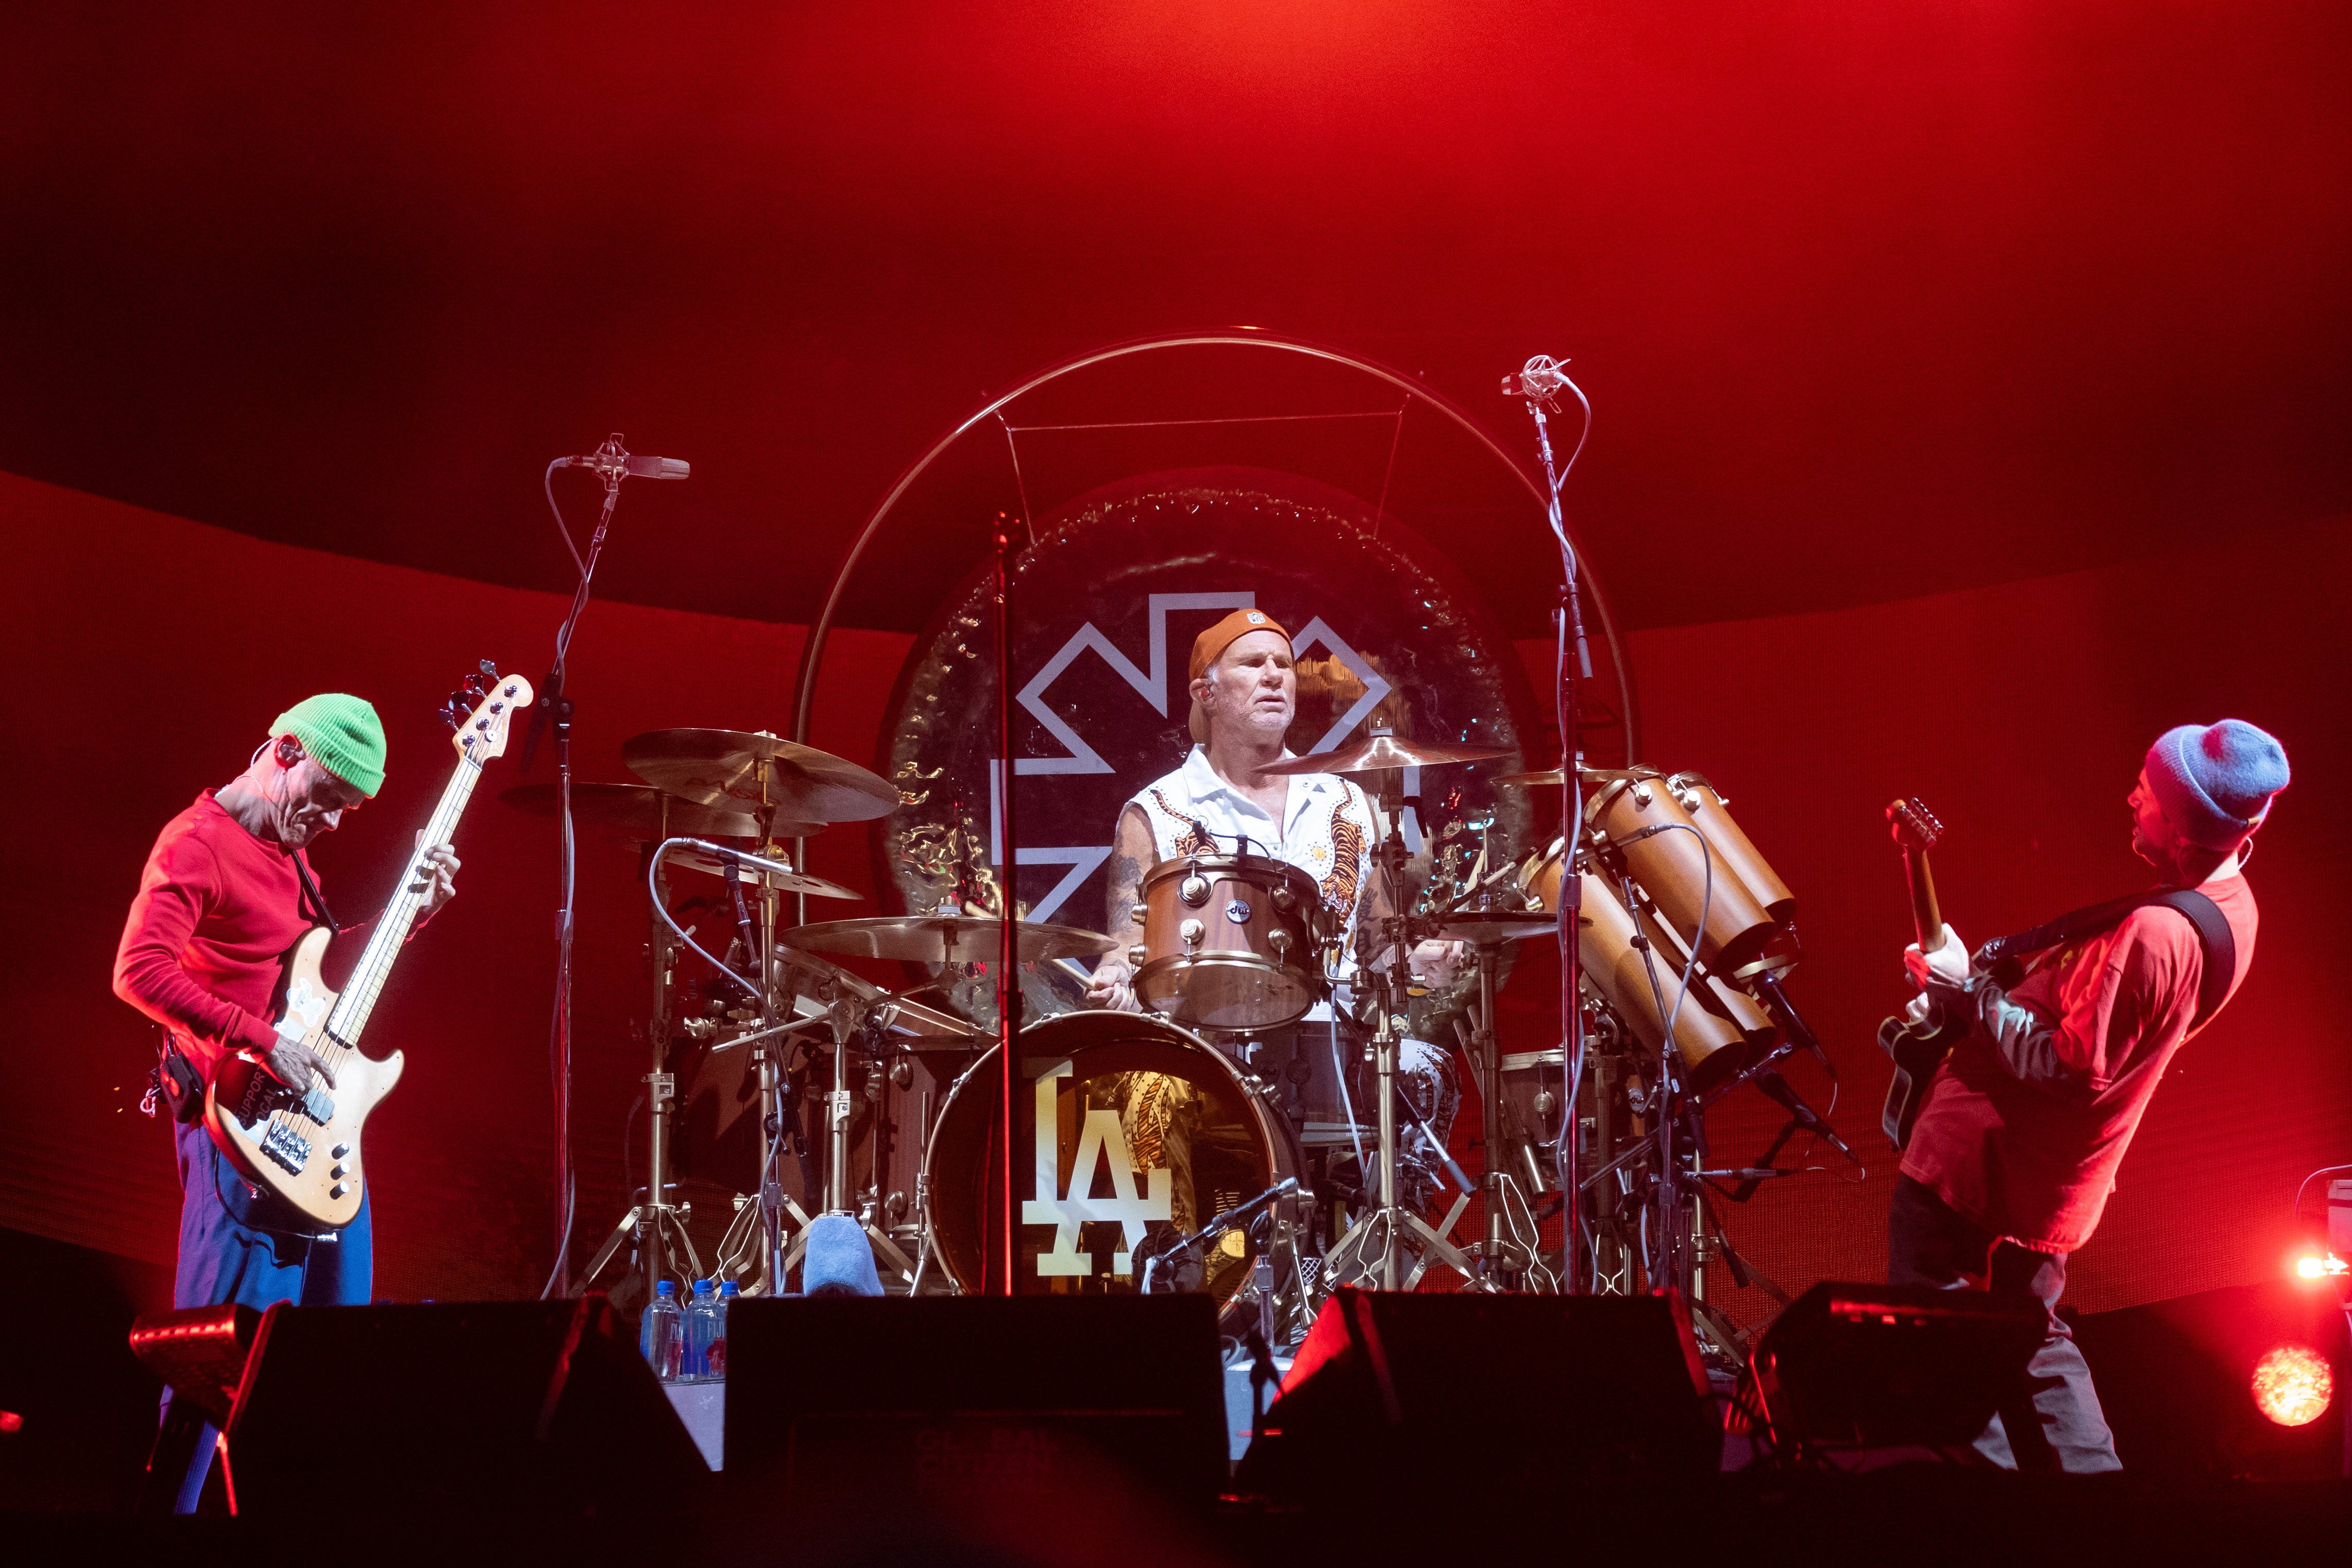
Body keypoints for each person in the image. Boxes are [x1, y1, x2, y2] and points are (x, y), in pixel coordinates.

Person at [1894, 717, 2288, 1471]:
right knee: (2034, 1344)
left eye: (2147, 794)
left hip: (1980, 1169)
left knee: (1948, 1368)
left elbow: (2070, 1069)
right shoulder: (2231, 906)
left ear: (2180, 825)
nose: (2130, 797)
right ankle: (2107, 1521)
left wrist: (1968, 994)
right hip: (2053, 1185)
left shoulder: (2154, 933)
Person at [112, 694, 459, 1511]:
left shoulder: (286, 851)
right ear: (287, 749)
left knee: (328, 1357)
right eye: (331, 798)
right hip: (237, 1131)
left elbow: (300, 970)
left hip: (309, 1130)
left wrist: (410, 919)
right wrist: (258, 1041)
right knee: (213, 1359)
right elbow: (137, 971)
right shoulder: (196, 843)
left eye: (350, 809)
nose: (336, 823)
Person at [1083, 609, 1464, 1237]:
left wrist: (1423, 960)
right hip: (1209, 1050)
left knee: (1426, 1068)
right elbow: (1128, 942)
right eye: (1252, 663)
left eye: (1283, 665)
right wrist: (1113, 975)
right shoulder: (1155, 810)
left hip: (1332, 1048)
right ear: (1206, 691)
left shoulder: (1345, 801)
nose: (1274, 677)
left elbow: (1375, 941)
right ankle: (1203, 1281)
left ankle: (1371, 1263)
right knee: (1140, 1101)